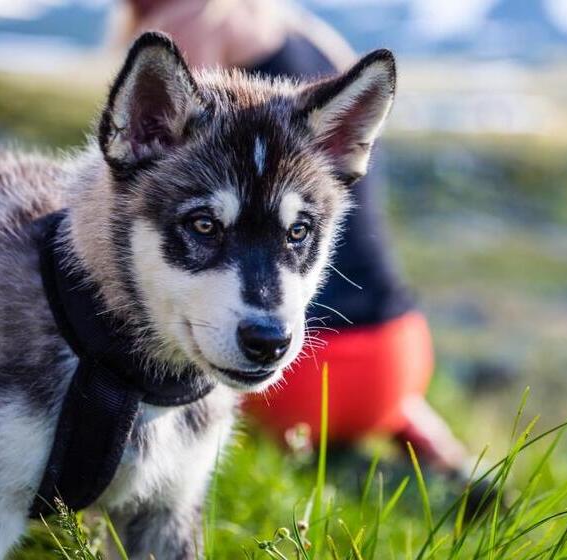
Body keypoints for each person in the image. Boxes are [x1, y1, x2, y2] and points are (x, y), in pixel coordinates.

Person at [115, 0, 472, 476]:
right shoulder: (312, 32)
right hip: (399, 351)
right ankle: (431, 452)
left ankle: (354, 473)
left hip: (308, 374)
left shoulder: (189, 21)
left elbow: (158, 168)